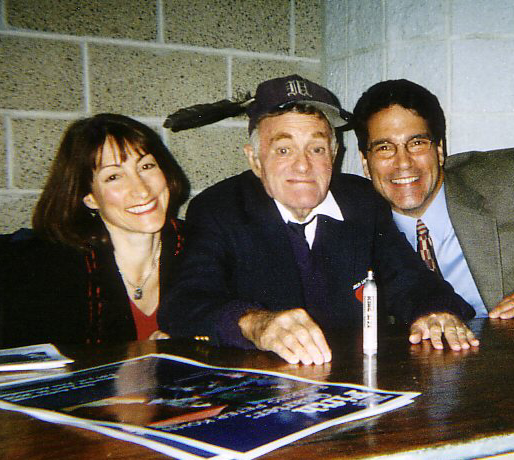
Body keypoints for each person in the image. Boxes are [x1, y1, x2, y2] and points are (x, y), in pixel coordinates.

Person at [158, 75, 477, 365]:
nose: (303, 166)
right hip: (265, 388)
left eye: (317, 148)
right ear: (255, 159)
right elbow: (184, 302)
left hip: (358, 380)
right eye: (284, 150)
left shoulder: (361, 203)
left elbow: (411, 280)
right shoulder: (220, 210)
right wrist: (255, 323)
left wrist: (435, 312)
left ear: (334, 155)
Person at [352, 79, 514, 319]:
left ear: (439, 150)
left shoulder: (510, 179)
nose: (403, 163)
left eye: (417, 143)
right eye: (384, 148)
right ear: (365, 162)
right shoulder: (355, 227)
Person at [0, 113, 188, 349]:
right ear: (89, 197)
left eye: (146, 166)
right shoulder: (53, 270)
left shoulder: (198, 244)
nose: (141, 190)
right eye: (113, 176)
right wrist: (136, 355)